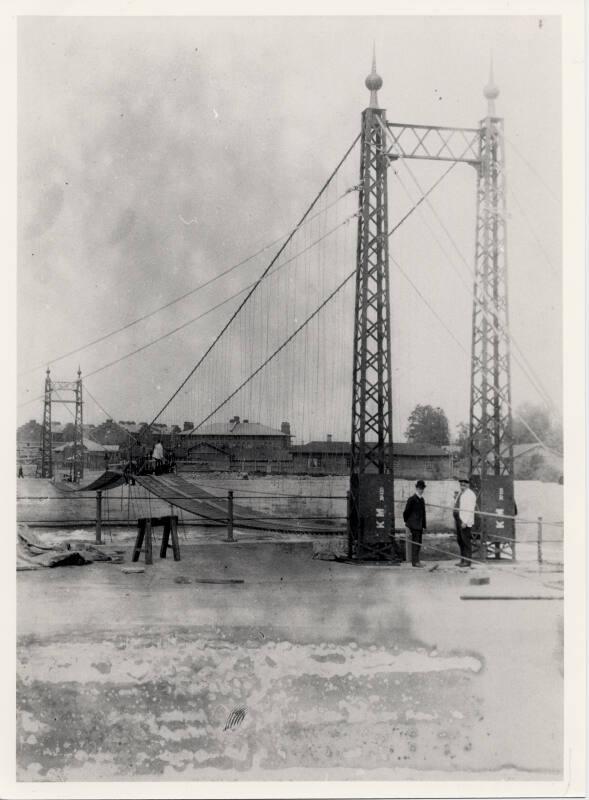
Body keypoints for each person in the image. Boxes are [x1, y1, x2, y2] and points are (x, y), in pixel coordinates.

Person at [402, 479, 427, 568]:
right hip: (414, 525)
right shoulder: (411, 499)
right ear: (416, 488)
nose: (421, 490)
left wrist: (424, 525)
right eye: (420, 488)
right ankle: (415, 562)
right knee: (415, 543)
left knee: (419, 543)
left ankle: (417, 561)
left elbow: (423, 514)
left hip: (419, 526)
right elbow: (406, 512)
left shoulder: (422, 499)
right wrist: (408, 523)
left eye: (422, 488)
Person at [456, 476, 477, 567]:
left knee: (466, 541)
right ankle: (463, 560)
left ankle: (467, 561)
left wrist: (465, 521)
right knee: (460, 541)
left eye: (464, 483)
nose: (462, 485)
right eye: (461, 484)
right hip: (459, 520)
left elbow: (470, 509)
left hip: (465, 521)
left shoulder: (470, 494)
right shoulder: (461, 493)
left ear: (468, 484)